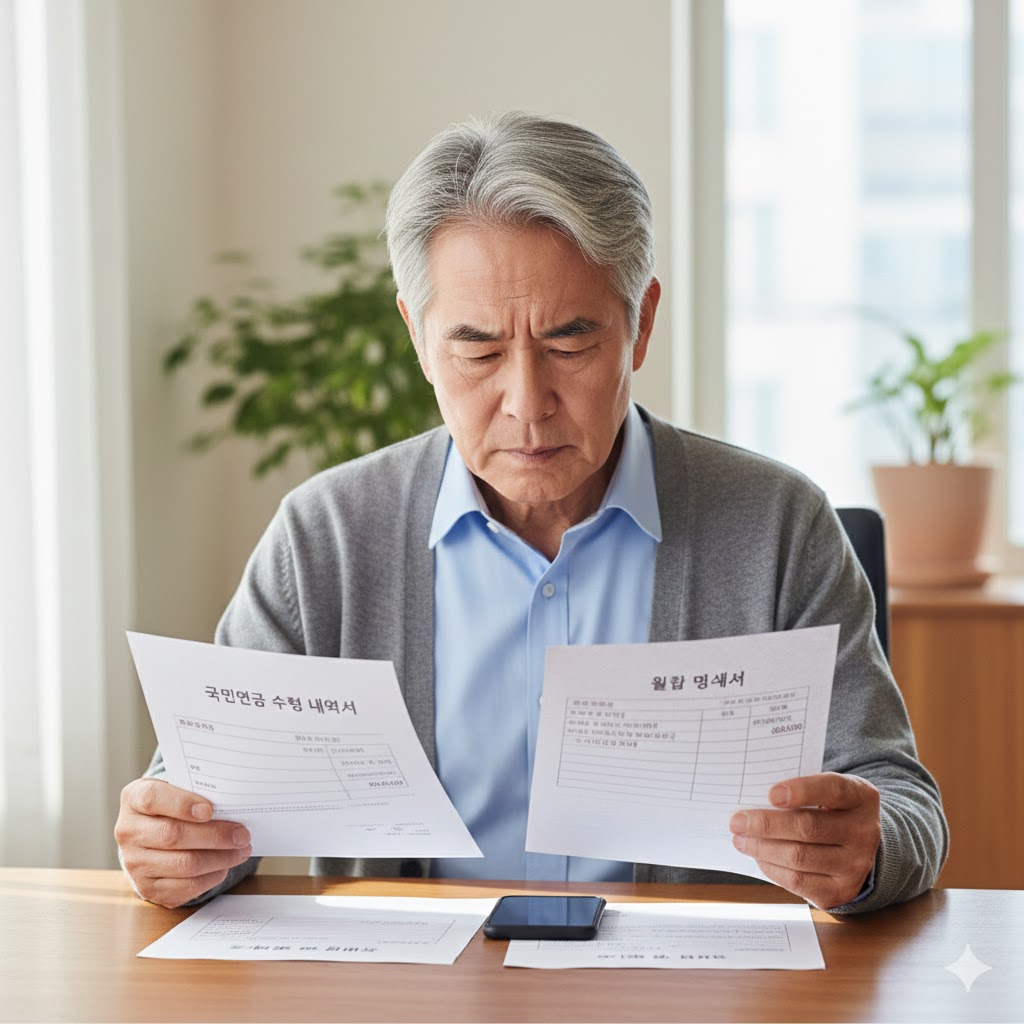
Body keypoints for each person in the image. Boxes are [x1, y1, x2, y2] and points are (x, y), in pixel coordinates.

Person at [115, 111, 947, 913]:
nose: (526, 402)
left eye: (569, 345)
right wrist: (177, 845)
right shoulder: (326, 535)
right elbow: (204, 804)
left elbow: (904, 804)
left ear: (642, 324)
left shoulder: (777, 526)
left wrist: (865, 853)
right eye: (477, 348)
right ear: (417, 338)